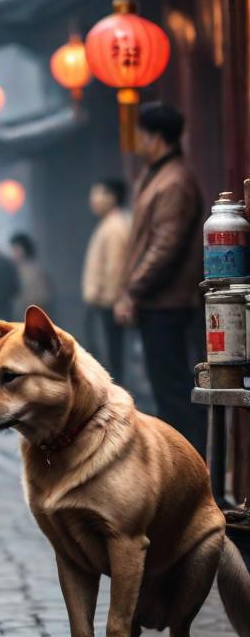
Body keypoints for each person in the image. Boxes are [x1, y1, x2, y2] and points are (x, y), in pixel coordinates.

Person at [115, 103, 205, 454]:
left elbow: (165, 247)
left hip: (169, 303)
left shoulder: (174, 180)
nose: (138, 142)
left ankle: (192, 468)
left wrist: (133, 290)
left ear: (155, 137)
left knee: (175, 392)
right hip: (158, 303)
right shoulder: (158, 175)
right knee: (166, 390)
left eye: (141, 134)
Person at [82, 178, 130, 383]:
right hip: (104, 301)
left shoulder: (114, 226)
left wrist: (111, 299)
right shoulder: (110, 224)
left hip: (109, 303)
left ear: (112, 198)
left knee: (113, 357)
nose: (93, 199)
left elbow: (115, 267)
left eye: (99, 193)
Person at [9, 232, 54, 318]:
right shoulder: (15, 268)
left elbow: (43, 296)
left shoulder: (34, 269)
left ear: (24, 249)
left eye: (15, 249)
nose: (13, 253)